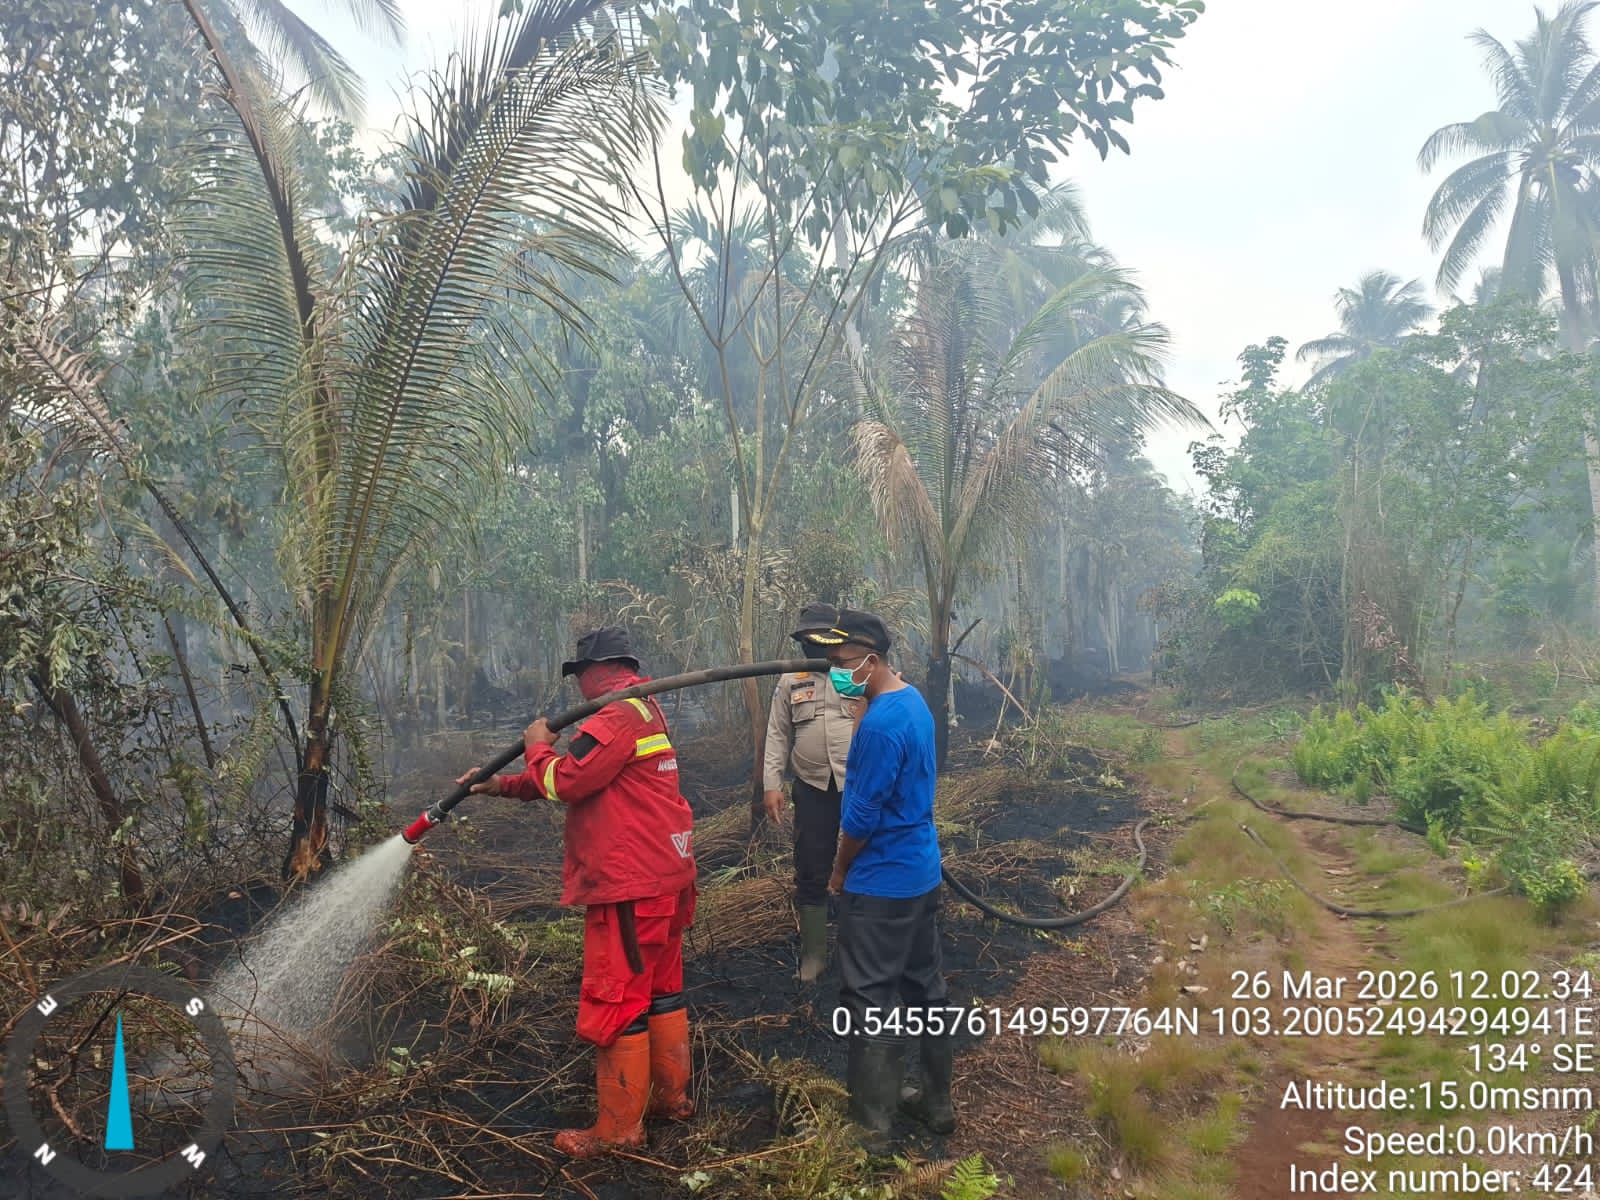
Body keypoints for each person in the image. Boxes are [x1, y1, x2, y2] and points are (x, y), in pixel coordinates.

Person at [455, 626, 697, 1158]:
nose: (580, 683)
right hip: (665, 873)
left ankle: (619, 1131)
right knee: (660, 988)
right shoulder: (643, 708)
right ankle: (668, 1097)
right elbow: (591, 776)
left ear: (594, 672)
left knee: (620, 1000)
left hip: (631, 885)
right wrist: (506, 784)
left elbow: (565, 780)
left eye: (581, 673)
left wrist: (537, 745)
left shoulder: (615, 715)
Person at [795, 608, 954, 1149]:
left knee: (870, 999)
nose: (835, 672)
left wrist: (839, 872)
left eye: (841, 663)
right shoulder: (909, 704)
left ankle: (872, 1129)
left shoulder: (881, 727)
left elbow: (860, 817)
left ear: (872, 659)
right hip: (921, 873)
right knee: (925, 990)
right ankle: (937, 1104)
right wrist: (860, 714)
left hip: (880, 885)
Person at [762, 601, 859, 982]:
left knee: (862, 862)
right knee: (811, 866)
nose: (814, 645)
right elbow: (777, 733)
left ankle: (859, 948)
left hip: (858, 785)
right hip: (812, 786)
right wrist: (772, 784)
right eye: (808, 638)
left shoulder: (856, 674)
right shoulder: (791, 679)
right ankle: (815, 955)